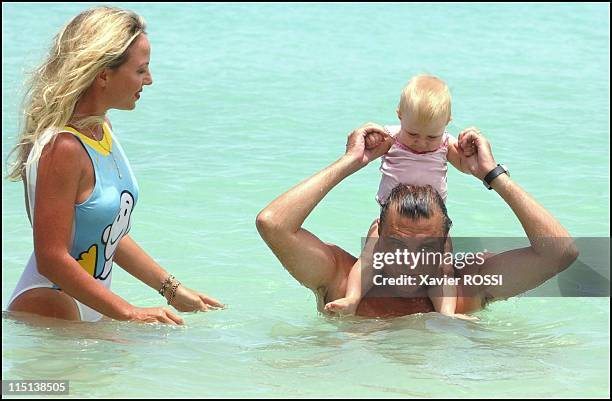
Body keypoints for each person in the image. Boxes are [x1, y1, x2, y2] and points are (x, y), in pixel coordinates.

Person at [5, 6, 222, 324]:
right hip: (50, 304)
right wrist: (129, 312)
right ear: (104, 74)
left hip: (91, 304)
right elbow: (51, 258)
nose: (149, 80)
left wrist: (172, 289)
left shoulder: (101, 129)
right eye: (141, 70)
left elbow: (106, 232)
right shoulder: (61, 148)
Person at [256, 123, 578, 318]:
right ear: (377, 237)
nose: (410, 261)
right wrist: (350, 162)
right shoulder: (340, 283)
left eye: (427, 247)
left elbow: (560, 253)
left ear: (446, 244)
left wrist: (492, 175)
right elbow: (273, 224)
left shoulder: (469, 288)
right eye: (396, 244)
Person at [323, 74, 476, 318]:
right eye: (413, 134)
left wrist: (473, 151)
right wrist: (368, 137)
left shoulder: (447, 144)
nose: (421, 143)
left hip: (430, 223)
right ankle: (352, 299)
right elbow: (362, 149)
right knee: (368, 260)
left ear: (447, 122)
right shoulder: (390, 138)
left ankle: (446, 313)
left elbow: (470, 166)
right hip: (391, 223)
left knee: (443, 269)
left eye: (431, 137)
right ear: (399, 116)